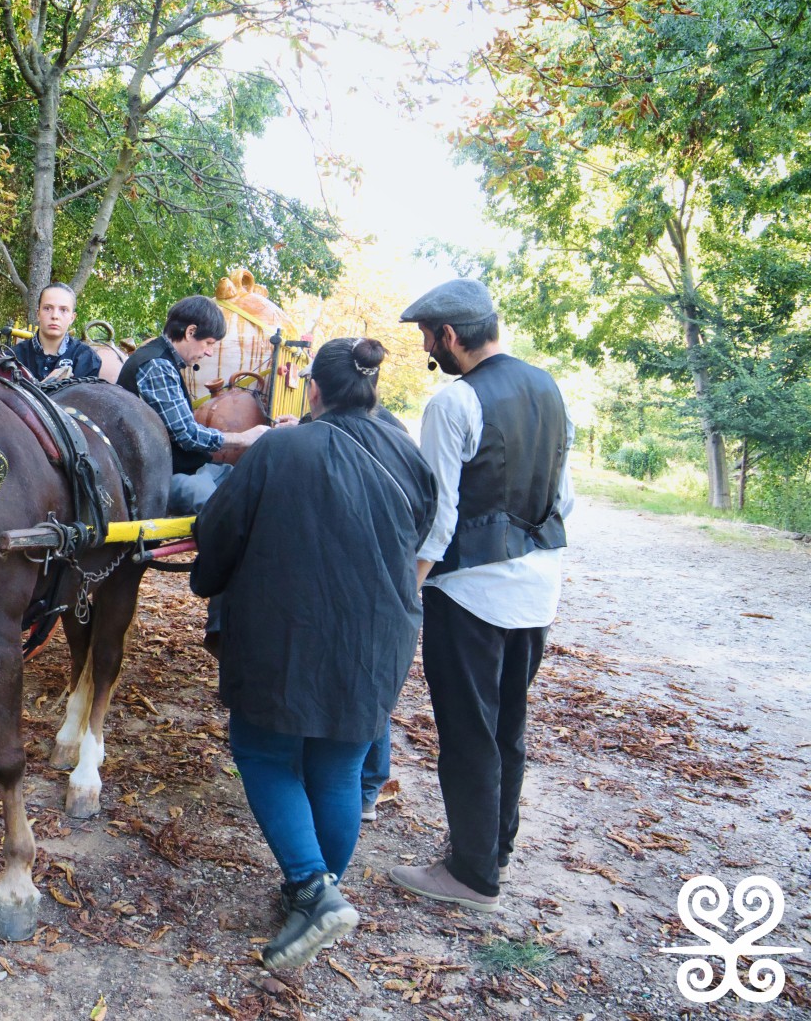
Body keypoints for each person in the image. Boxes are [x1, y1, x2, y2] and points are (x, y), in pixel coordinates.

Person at [190, 338, 437, 970]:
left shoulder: (280, 447)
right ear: (373, 389)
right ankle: (319, 893)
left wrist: (209, 578)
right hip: (379, 638)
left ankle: (311, 888)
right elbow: (417, 539)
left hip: (288, 633)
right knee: (337, 768)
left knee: (264, 752)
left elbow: (218, 531)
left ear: (315, 392)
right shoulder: (408, 456)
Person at [388, 278, 574, 914]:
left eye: (426, 338)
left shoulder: (454, 402)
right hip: (538, 591)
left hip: (469, 594)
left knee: (468, 732)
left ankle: (471, 874)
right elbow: (563, 497)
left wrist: (405, 594)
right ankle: (496, 846)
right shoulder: (549, 387)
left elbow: (438, 519)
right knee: (508, 725)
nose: (426, 350)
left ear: (449, 335)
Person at [116, 295, 269, 515]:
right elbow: (187, 435)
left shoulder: (163, 360)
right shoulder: (157, 365)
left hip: (182, 467)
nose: (209, 352)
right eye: (208, 343)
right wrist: (244, 438)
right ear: (190, 332)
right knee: (226, 512)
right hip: (157, 476)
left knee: (249, 483)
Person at [11, 282, 102, 382]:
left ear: (72, 317)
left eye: (63, 310)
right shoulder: (13, 358)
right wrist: (49, 382)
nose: (55, 316)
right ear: (38, 314)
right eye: (47, 308)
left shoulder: (87, 359)